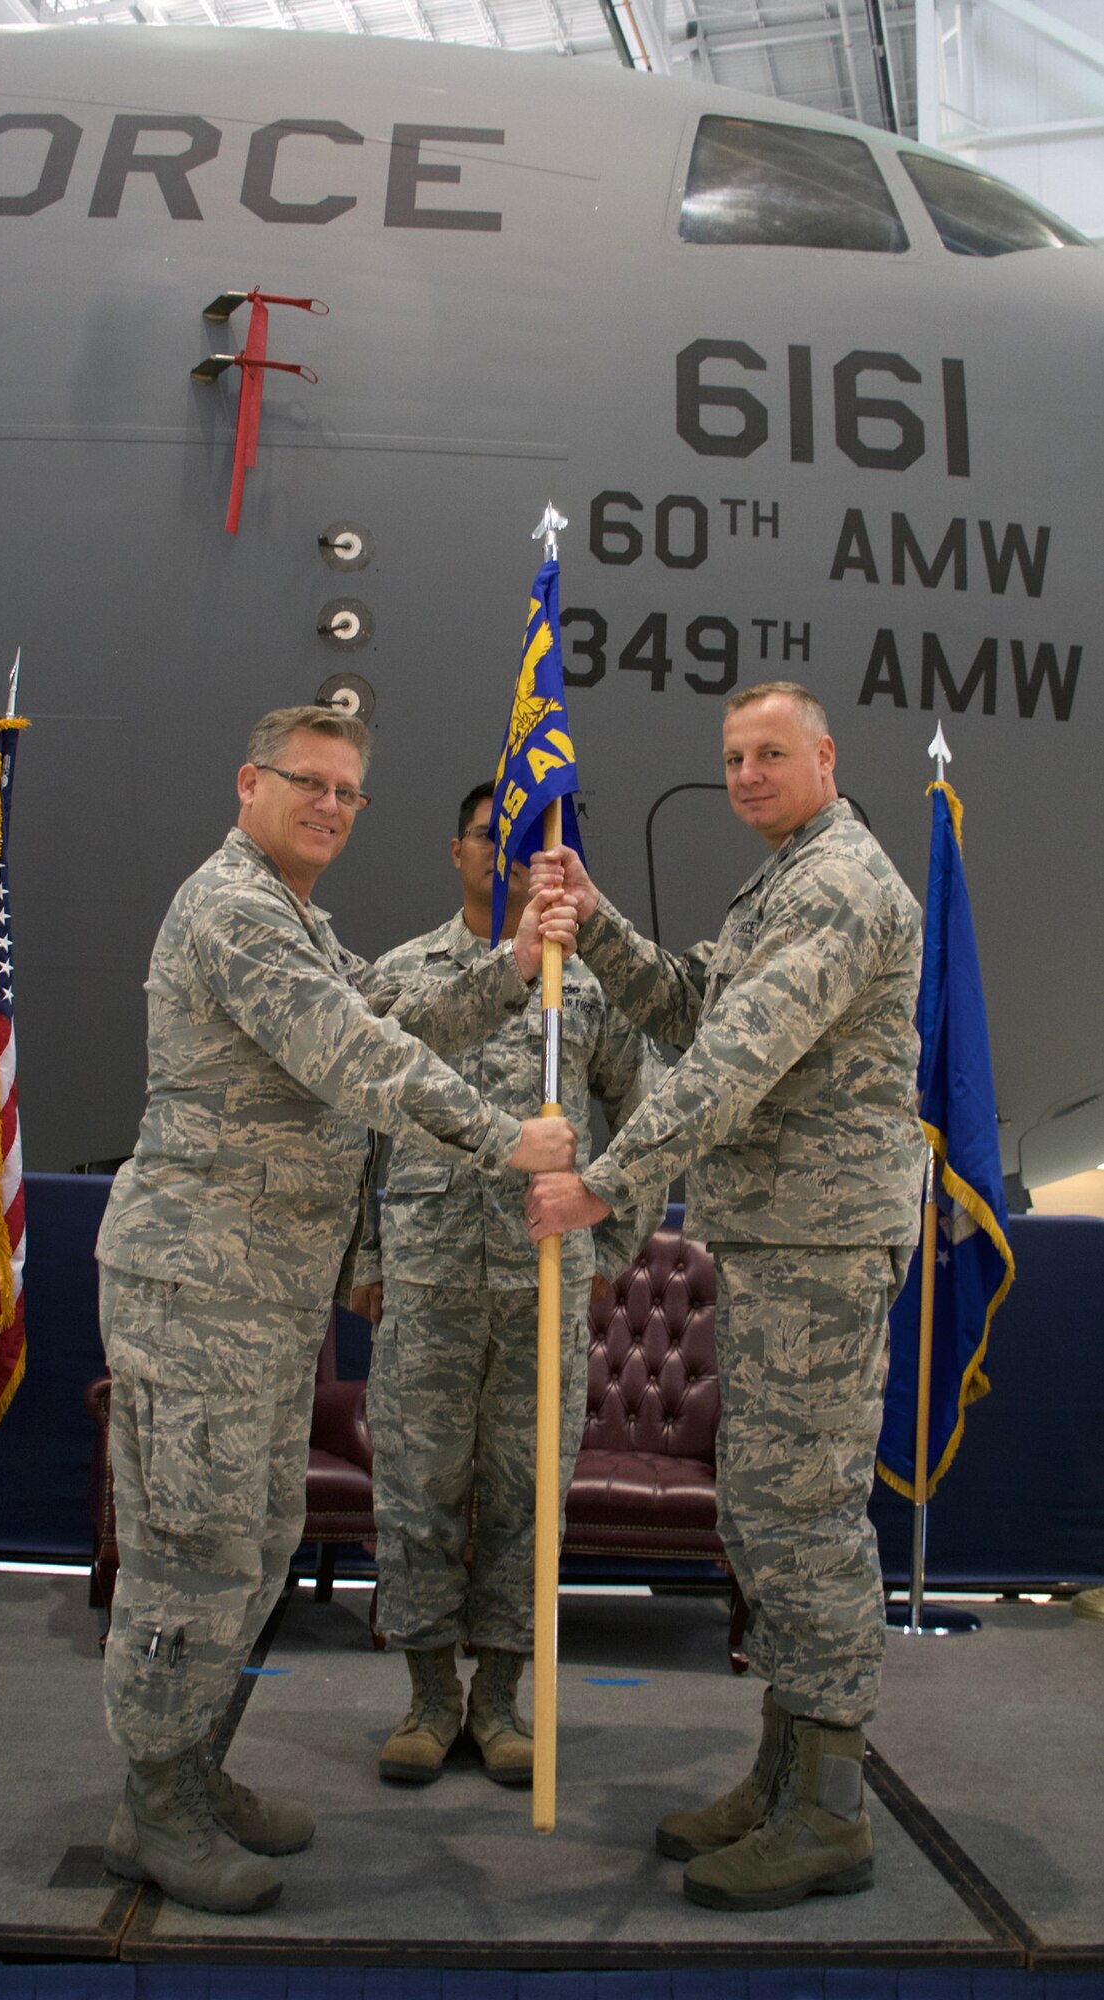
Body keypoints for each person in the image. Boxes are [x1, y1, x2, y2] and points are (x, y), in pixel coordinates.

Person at [95, 705, 578, 1916]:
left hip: (260, 1298)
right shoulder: (234, 907)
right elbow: (352, 1057)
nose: (329, 805)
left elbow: (386, 1013)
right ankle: (151, 1805)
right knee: (191, 1549)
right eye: (308, 781)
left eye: (349, 792)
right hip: (197, 1286)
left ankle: (191, 1770)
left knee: (253, 1541)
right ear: (248, 780)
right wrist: (504, 1135)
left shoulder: (296, 914)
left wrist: (514, 968)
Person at [526, 682, 923, 1911]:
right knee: (763, 1514)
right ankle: (782, 1770)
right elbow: (695, 1002)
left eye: (770, 753)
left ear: (825, 758)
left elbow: (736, 1057)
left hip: (821, 1245)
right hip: (777, 1243)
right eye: (733, 756)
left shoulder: (842, 884)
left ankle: (831, 1812)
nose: (746, 773)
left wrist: (606, 1180)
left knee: (802, 1521)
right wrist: (591, 923)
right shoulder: (787, 877)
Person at [350, 782, 667, 1788]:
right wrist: (365, 1257)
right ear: (459, 850)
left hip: (541, 1284)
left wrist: (607, 1245)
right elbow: (358, 1125)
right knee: (418, 1490)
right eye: (498, 839)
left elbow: (654, 1124)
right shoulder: (403, 976)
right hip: (429, 1279)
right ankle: (428, 1696)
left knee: (528, 1494)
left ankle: (499, 1701)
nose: (518, 858)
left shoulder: (595, 985)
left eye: (538, 843)